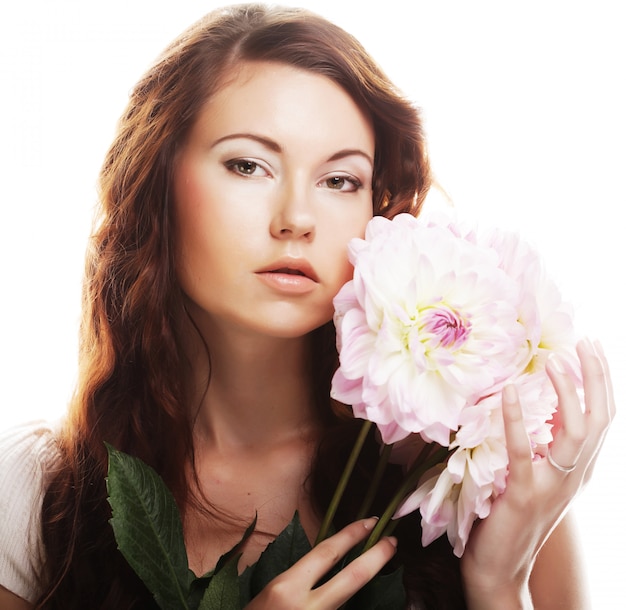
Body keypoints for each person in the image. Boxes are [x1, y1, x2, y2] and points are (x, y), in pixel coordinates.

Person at [0, 3, 614, 609]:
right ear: (155, 181)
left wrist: (500, 585)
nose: (295, 219)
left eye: (340, 180)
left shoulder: (471, 478)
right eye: (248, 165)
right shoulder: (38, 495)